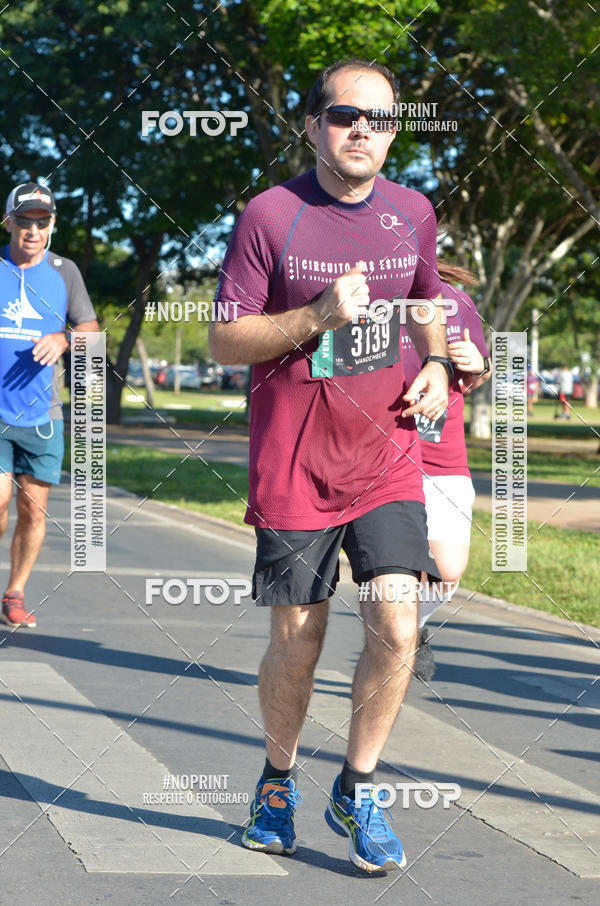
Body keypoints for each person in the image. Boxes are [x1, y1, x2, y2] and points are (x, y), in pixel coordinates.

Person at [210, 58, 453, 872]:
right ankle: (277, 782)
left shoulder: (413, 212)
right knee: (300, 637)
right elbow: (224, 338)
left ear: (393, 133)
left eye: (379, 119)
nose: (362, 131)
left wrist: (436, 362)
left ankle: (358, 786)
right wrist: (316, 313)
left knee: (397, 624)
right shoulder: (270, 215)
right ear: (313, 124)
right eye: (346, 115)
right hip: (294, 465)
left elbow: (426, 299)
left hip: (386, 453)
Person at [0, 182, 98, 628]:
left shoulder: (65, 272)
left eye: (42, 222)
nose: (33, 230)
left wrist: (64, 338)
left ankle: (14, 593)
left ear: (52, 225)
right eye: (25, 221)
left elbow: (91, 330)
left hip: (43, 416)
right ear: (8, 222)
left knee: (32, 510)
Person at [402, 265, 492, 681]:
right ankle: (392, 633)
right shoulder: (366, 296)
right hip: (380, 449)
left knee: (448, 570)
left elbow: (477, 372)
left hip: (443, 451)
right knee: (390, 566)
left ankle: (414, 626)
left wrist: (479, 363)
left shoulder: (456, 301)